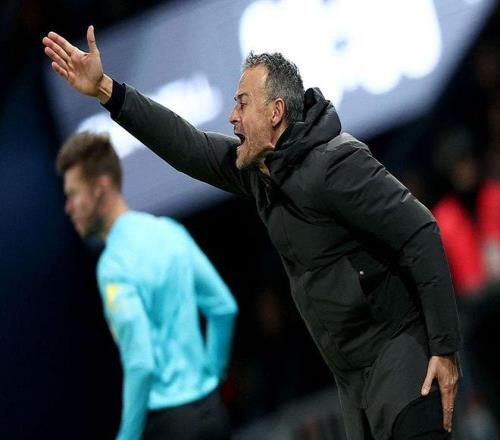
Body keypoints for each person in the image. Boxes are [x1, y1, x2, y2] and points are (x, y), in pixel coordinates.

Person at [44, 26, 461, 440]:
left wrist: (444, 348)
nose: (232, 116)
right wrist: (107, 90)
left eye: (242, 103)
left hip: (402, 361)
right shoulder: (260, 174)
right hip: (355, 384)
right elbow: (186, 144)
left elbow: (420, 231)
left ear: (276, 112)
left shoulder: (335, 163)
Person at [56, 131, 238, 440]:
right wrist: (211, 378)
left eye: (74, 194)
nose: (68, 207)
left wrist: (127, 436)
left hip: (170, 426)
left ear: (100, 189)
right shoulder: (170, 231)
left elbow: (140, 363)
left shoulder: (113, 266)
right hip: (213, 414)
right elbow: (224, 308)